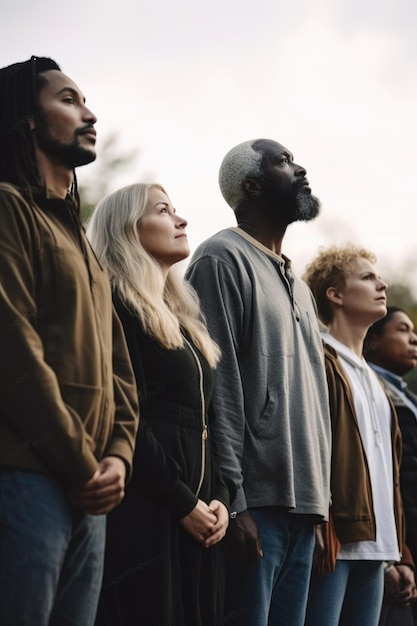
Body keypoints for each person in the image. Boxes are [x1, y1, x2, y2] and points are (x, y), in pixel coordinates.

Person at [0, 56, 139, 626]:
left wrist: (118, 458)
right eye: (68, 99)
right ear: (28, 120)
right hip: (27, 480)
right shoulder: (9, 207)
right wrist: (83, 464)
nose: (89, 113)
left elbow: (121, 373)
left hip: (96, 493)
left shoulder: (83, 241)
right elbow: (11, 344)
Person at [185, 138, 331, 626]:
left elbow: (316, 400)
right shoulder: (219, 259)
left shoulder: (303, 288)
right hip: (255, 507)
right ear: (251, 184)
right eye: (285, 162)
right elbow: (217, 384)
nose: (301, 167)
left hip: (305, 509)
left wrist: (323, 505)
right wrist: (235, 500)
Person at [86, 182, 233, 626]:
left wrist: (221, 497)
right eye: (164, 210)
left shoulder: (185, 319)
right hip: (147, 509)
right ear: (127, 229)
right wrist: (181, 502)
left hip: (204, 515)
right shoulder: (112, 302)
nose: (181, 220)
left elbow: (209, 419)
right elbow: (123, 413)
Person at [303, 244, 404, 626]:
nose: (383, 284)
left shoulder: (374, 379)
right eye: (367, 277)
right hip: (336, 539)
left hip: (379, 545)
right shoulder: (319, 360)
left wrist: (397, 549)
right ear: (335, 294)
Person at [365, 306, 417, 625]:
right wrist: (400, 554)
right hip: (399, 541)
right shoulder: (373, 394)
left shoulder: (402, 394)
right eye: (402, 329)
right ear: (372, 340)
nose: (413, 338)